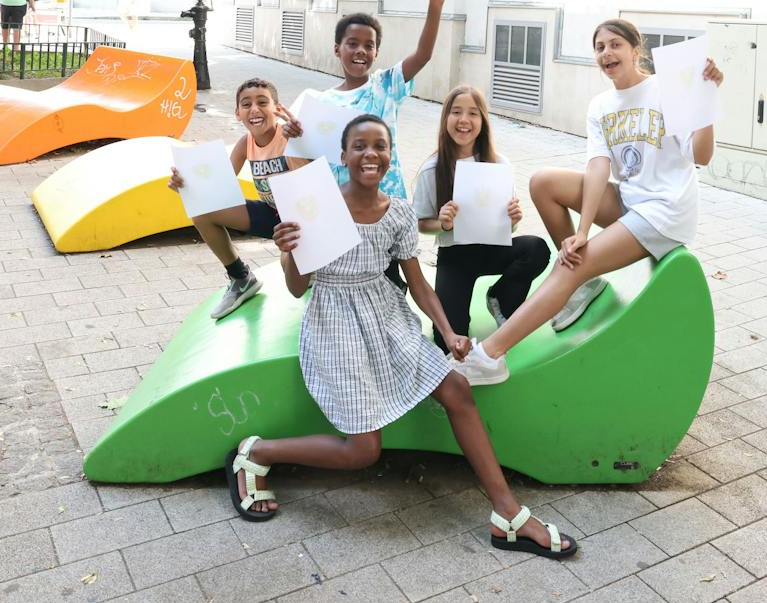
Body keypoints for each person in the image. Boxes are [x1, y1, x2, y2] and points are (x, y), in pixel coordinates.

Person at [224, 115, 576, 561]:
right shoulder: (318, 207)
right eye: (359, 147)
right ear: (344, 155)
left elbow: (419, 284)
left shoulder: (400, 214)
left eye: (380, 146)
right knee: (363, 451)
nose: (370, 154)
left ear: (390, 155)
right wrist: (288, 251)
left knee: (457, 388)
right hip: (336, 325)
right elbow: (298, 287)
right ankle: (255, 453)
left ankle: (507, 514)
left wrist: (449, 333)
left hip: (387, 316)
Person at [452, 18, 723, 386]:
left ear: (635, 50)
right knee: (543, 183)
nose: (607, 53)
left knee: (569, 265)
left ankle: (490, 357)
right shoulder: (601, 105)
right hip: (629, 200)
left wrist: (704, 102)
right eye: (599, 47)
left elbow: (702, 156)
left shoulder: (668, 89)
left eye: (615, 45)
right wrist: (580, 232)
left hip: (665, 210)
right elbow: (598, 167)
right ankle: (582, 285)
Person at [284, 0, 452, 199]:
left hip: (387, 202)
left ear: (376, 53)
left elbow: (423, 55)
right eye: (352, 43)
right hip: (344, 205)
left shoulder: (386, 85)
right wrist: (292, 132)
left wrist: (435, 6)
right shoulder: (321, 102)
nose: (360, 50)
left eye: (368, 45)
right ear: (337, 49)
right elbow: (306, 152)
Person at [413, 85, 550, 349]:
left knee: (536, 248)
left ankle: (501, 298)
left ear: (483, 121)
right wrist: (441, 223)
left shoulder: (499, 164)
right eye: (456, 112)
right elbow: (421, 224)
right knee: (446, 341)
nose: (464, 120)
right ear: (445, 120)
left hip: (492, 249)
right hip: (455, 256)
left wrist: (514, 218)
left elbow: (509, 227)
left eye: (473, 114)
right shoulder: (432, 169)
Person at [167, 78, 310, 319]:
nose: (254, 109)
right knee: (202, 209)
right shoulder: (246, 143)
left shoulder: (289, 136)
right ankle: (240, 277)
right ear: (237, 113)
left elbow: (319, 179)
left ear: (277, 108)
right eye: (246, 104)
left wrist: (302, 139)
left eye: (262, 102)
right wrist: (186, 186)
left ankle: (320, 270)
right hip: (273, 214)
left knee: (291, 271)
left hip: (302, 220)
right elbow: (219, 188)